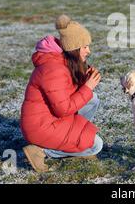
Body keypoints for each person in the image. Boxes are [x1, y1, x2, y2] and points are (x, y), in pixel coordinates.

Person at [20, 14, 102, 172]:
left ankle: (74, 142)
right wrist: (87, 87)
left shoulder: (61, 62)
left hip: (52, 120)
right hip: (41, 127)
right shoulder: (53, 69)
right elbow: (63, 109)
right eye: (85, 47)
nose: (88, 51)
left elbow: (65, 94)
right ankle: (40, 151)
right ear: (73, 48)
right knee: (96, 145)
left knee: (92, 99)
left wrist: (85, 80)